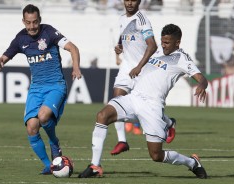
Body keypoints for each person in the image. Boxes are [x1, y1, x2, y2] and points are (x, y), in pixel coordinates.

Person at [78, 24, 208, 179]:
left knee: (156, 155)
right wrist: (124, 50)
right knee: (102, 115)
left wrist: (201, 85)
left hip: (152, 107)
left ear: (177, 42)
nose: (163, 45)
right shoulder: (156, 50)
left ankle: (192, 163)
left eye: (167, 43)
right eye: (162, 41)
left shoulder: (182, 58)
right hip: (134, 99)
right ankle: (94, 166)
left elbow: (201, 78)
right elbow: (139, 53)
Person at [0, 4, 81, 175]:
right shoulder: (20, 39)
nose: (32, 26)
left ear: (39, 20)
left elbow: (73, 48)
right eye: (28, 23)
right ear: (23, 22)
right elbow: (5, 56)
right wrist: (0, 61)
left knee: (43, 116)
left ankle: (54, 143)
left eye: (35, 22)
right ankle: (50, 165)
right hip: (36, 88)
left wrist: (76, 67)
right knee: (32, 127)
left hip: (55, 85)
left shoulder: (49, 32)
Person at [111, 0, 176, 156]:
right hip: (127, 67)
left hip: (143, 68)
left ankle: (167, 122)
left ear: (139, 1)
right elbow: (124, 39)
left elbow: (152, 45)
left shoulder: (141, 19)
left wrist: (139, 66)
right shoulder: (121, 19)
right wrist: (119, 47)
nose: (130, 3)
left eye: (134, 0)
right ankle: (122, 141)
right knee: (116, 101)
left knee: (144, 107)